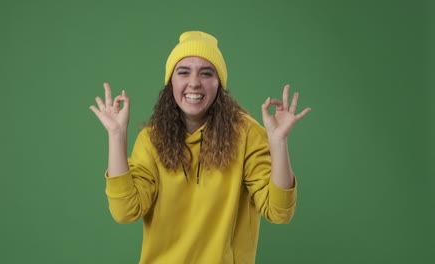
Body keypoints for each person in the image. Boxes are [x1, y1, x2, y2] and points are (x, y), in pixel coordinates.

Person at [89, 31, 311, 264]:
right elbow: (125, 212)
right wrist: (116, 135)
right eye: (183, 72)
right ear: (170, 82)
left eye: (206, 73)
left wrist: (278, 143)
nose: (194, 82)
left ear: (219, 85)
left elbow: (279, 212)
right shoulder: (151, 140)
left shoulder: (246, 134)